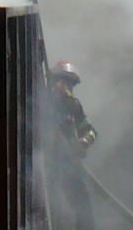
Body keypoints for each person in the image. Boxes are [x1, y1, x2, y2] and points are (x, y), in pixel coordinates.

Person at [49, 60, 97, 230]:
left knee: (83, 206)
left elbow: (91, 132)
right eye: (62, 81)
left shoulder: (73, 106)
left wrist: (81, 144)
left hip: (68, 164)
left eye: (69, 84)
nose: (65, 87)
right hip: (46, 164)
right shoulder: (42, 103)